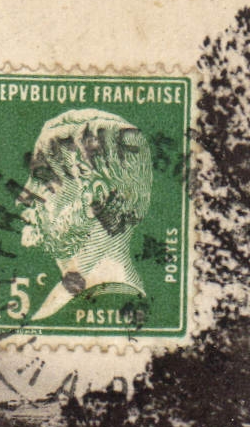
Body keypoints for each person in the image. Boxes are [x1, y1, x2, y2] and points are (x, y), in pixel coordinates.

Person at [16, 108, 153, 322]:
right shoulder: (66, 297)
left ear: (97, 197)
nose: (23, 198)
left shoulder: (111, 300)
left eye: (43, 180)